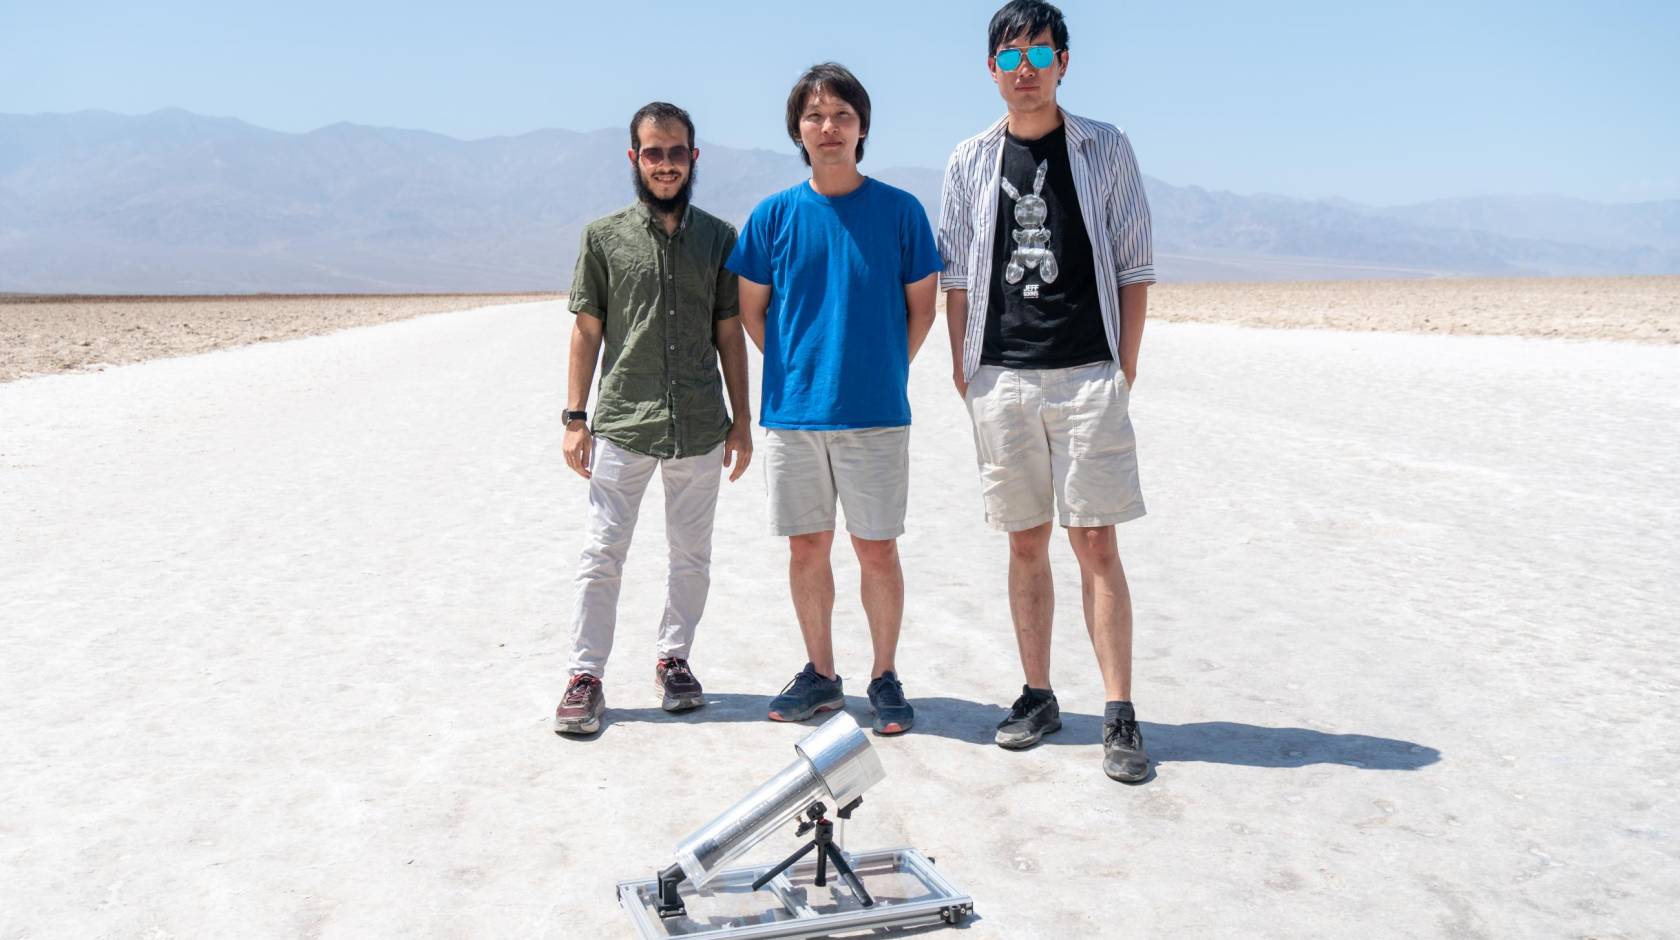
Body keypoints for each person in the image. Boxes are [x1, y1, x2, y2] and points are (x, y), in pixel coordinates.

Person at [937, 0, 1156, 781]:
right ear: (991, 69)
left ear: (1064, 62)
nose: (1022, 69)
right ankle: (1037, 693)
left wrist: (1121, 366)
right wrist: (968, 369)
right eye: (1007, 56)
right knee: (1025, 540)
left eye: (1036, 53)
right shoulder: (969, 160)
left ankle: (1120, 713)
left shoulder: (1105, 148)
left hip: (1087, 372)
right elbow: (957, 273)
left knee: (1095, 540)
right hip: (1003, 378)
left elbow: (1133, 266)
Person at [728, 63, 941, 736]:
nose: (829, 127)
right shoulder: (773, 217)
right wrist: (803, 371)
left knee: (876, 549)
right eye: (816, 116)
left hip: (876, 414)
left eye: (842, 116)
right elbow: (753, 313)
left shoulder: (901, 212)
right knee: (806, 548)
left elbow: (922, 310)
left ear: (862, 129)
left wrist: (877, 370)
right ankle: (821, 674)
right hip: (795, 416)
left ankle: (884, 675)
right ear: (798, 129)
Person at [553, 102, 753, 736]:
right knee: (602, 552)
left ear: (694, 158)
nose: (665, 165)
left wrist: (741, 421)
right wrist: (575, 416)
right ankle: (585, 676)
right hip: (622, 422)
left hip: (698, 422)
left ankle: (675, 661)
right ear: (634, 159)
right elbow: (588, 330)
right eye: (653, 153)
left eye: (676, 153)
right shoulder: (603, 238)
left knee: (691, 555)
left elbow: (730, 335)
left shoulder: (720, 239)